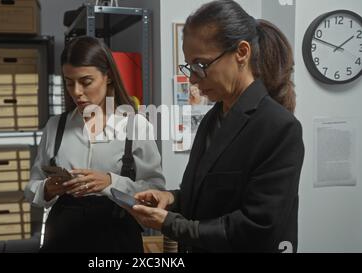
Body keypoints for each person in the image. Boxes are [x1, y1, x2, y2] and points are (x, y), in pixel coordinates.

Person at [129, 0, 304, 252]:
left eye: (201, 65)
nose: (192, 78)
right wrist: (171, 199)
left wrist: (171, 224)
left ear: (241, 53)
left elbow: (257, 225)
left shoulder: (279, 127)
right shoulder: (214, 118)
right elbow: (206, 195)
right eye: (190, 66)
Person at [24, 36, 165, 252]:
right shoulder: (55, 127)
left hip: (116, 238)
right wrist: (47, 189)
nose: (76, 92)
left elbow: (155, 191)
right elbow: (31, 187)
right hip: (62, 236)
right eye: (69, 82)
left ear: (107, 76)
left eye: (86, 81)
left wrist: (110, 182)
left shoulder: (137, 126)